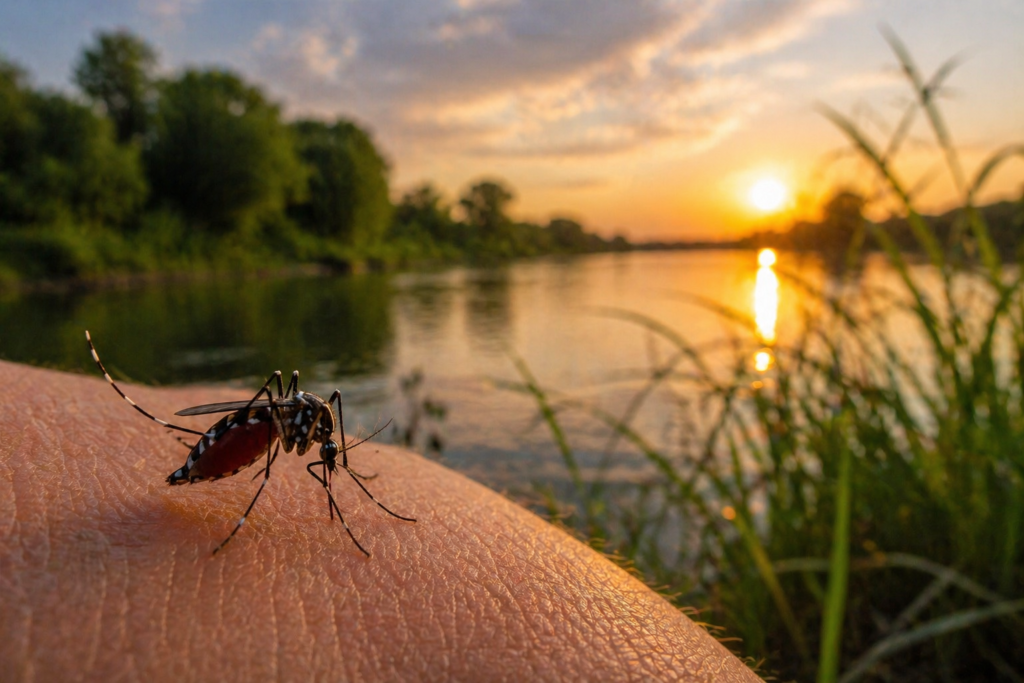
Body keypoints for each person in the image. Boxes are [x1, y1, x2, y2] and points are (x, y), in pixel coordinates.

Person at [0, 360, 761, 681]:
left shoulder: (317, 419)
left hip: (255, 430)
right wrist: (263, 464)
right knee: (280, 417)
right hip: (238, 436)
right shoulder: (297, 419)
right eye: (329, 450)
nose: (326, 454)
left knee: (296, 409)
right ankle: (223, 463)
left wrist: (348, 477)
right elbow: (294, 422)